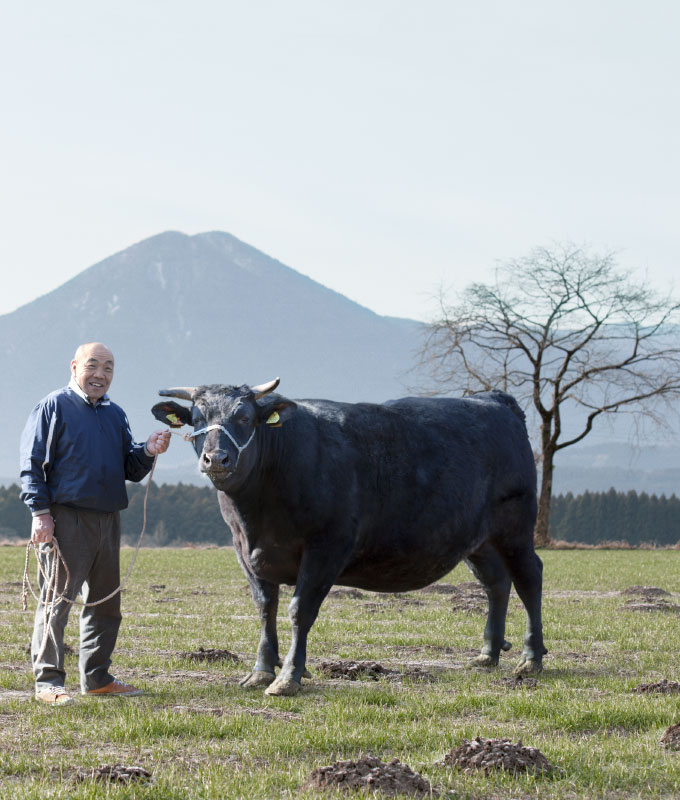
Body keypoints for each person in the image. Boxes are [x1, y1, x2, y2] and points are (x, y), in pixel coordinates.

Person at [20, 342, 171, 705]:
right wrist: (40, 514)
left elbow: (130, 469)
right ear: (74, 367)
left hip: (108, 519)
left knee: (106, 605)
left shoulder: (115, 414)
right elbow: (32, 463)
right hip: (64, 519)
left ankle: (97, 678)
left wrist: (148, 449)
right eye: (93, 366)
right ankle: (48, 682)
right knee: (57, 602)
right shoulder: (53, 406)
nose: (101, 374)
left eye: (108, 368)